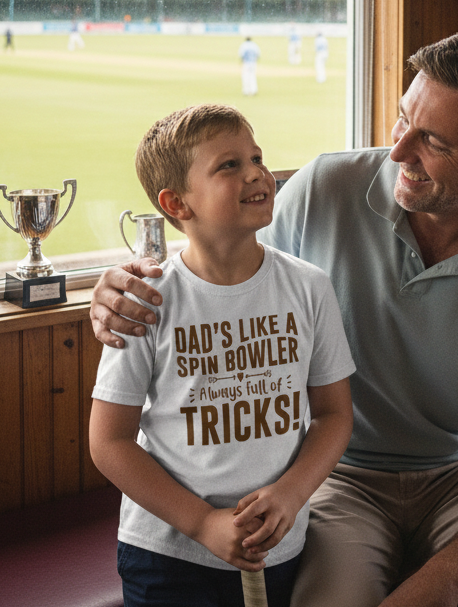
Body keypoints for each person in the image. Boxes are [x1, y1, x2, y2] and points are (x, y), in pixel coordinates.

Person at [90, 28, 458, 607]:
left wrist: (446, 578)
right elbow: (218, 264)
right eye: (404, 120)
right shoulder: (326, 187)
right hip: (338, 473)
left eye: (435, 142)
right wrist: (120, 286)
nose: (398, 152)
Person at [89, 104, 354, 607]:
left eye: (256, 157)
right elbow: (110, 442)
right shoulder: (144, 301)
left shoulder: (310, 288)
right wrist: (203, 523)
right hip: (168, 558)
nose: (257, 173)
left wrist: (293, 494)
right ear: (177, 203)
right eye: (229, 165)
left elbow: (334, 414)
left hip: (279, 548)